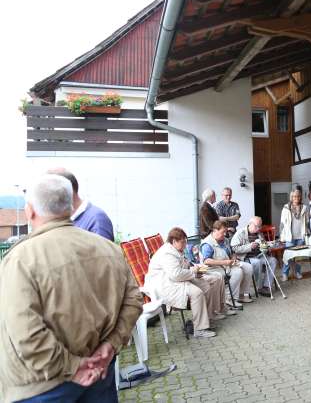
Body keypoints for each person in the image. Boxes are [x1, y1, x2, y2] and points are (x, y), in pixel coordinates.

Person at [0, 174, 142, 402]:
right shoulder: (109, 249)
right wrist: (110, 345)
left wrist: (74, 367)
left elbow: (25, 333)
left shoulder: (20, 259)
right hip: (100, 372)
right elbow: (134, 301)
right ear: (69, 206)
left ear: (30, 211)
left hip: (42, 387)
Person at [145, 227, 226, 338]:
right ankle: (199, 329)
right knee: (197, 293)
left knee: (206, 286)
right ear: (174, 241)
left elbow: (184, 266)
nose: (185, 244)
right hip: (164, 285)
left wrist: (195, 268)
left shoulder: (175, 249)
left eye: (185, 241)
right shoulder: (167, 254)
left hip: (175, 280)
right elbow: (176, 274)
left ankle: (206, 318)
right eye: (183, 242)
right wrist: (193, 272)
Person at [48, 168, 114, 241]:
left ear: (68, 191)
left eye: (49, 192)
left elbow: (103, 251)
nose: (47, 199)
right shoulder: (60, 219)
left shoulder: (97, 220)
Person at [200, 220, 254, 307]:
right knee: (238, 272)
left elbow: (232, 252)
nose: (225, 234)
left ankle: (241, 294)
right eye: (223, 232)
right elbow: (206, 261)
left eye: (226, 231)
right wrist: (225, 262)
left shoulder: (225, 240)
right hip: (212, 269)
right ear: (215, 230)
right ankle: (229, 298)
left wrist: (233, 258)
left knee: (248, 267)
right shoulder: (207, 243)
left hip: (226, 265)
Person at [231, 216, 277, 296]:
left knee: (273, 260)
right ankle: (259, 287)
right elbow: (234, 248)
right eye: (256, 226)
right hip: (245, 258)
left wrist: (266, 247)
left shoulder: (259, 233)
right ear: (250, 224)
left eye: (260, 226)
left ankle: (266, 286)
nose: (258, 228)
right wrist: (249, 247)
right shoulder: (240, 233)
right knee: (257, 262)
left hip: (259, 255)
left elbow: (263, 246)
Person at [279, 189, 309, 280]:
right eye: (295, 196)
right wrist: (282, 236)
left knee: (298, 257)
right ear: (291, 197)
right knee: (288, 256)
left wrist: (307, 234)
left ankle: (297, 272)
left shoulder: (304, 207)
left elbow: (307, 222)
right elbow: (282, 223)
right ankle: (285, 273)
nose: (297, 198)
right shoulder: (286, 207)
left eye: (298, 196)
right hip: (289, 237)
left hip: (301, 236)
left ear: (300, 197)